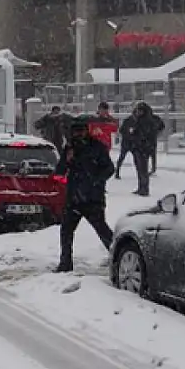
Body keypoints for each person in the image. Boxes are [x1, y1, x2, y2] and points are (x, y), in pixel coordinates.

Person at [54, 117, 115, 273]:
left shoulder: (97, 147)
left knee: (102, 229)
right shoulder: (69, 148)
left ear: (87, 131)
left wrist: (96, 181)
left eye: (81, 131)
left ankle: (118, 256)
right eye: (75, 132)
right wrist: (66, 161)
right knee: (66, 231)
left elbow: (109, 168)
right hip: (73, 197)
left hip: (92, 198)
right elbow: (59, 171)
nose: (78, 134)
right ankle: (65, 263)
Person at [120, 102, 158, 196]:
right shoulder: (140, 120)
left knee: (142, 169)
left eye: (140, 111)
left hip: (143, 147)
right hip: (138, 147)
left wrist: (136, 136)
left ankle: (144, 188)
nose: (138, 112)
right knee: (140, 169)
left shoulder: (147, 121)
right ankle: (141, 187)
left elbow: (146, 134)